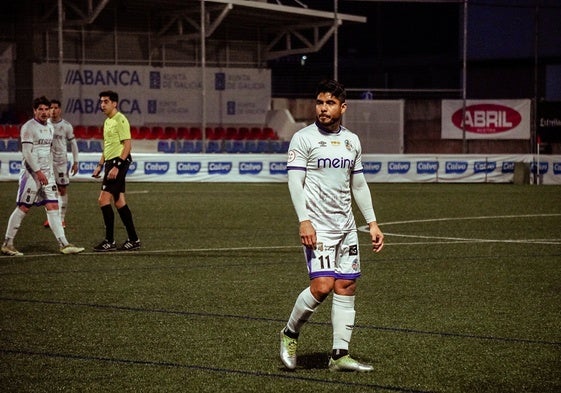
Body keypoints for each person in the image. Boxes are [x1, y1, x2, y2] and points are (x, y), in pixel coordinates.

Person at [279, 79, 384, 372]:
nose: (323, 108)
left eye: (330, 103)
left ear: (342, 107)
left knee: (346, 285)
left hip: (346, 226)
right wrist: (304, 220)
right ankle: (289, 333)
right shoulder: (303, 138)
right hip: (318, 226)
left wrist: (372, 223)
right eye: (320, 103)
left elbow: (359, 185)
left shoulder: (352, 141)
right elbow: (295, 182)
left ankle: (339, 356)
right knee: (322, 286)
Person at [1, 96, 85, 256]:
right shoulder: (28, 127)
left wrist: (48, 172)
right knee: (23, 207)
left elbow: (49, 151)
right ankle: (7, 244)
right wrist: (38, 172)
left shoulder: (50, 128)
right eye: (41, 109)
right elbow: (27, 152)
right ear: (34, 110)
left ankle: (64, 244)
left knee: (53, 206)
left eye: (46, 109)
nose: (45, 112)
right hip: (31, 174)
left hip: (47, 175)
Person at [91, 90, 140, 252]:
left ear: (114, 103)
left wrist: (117, 166)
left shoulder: (121, 120)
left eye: (106, 101)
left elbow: (127, 145)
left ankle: (109, 241)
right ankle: (133, 239)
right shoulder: (107, 121)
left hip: (118, 163)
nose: (102, 104)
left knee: (103, 200)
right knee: (119, 202)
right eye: (101, 101)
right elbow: (108, 146)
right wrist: (100, 164)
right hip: (110, 163)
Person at [43, 99, 79, 229]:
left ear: (60, 110)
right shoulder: (44, 124)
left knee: (62, 189)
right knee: (48, 190)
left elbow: (73, 144)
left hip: (61, 162)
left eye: (55, 108)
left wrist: (76, 161)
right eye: (50, 108)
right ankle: (51, 219)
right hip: (47, 162)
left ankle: (61, 219)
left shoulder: (66, 126)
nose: (53, 110)